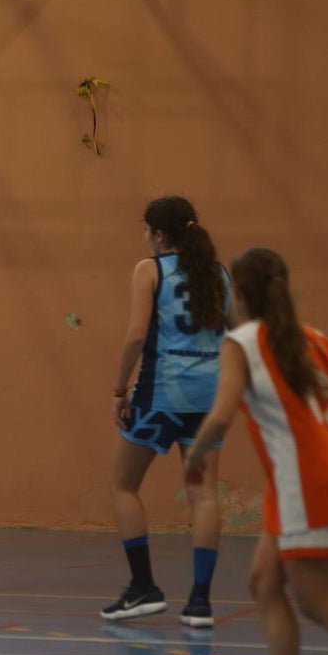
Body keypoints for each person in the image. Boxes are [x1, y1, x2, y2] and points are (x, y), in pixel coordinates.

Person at [184, 247, 328, 655]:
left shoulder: (244, 340)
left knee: (316, 601)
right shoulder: (314, 339)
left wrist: (194, 457)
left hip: (304, 479)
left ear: (240, 290)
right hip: (308, 474)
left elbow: (222, 411)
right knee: (263, 581)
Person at [102, 196, 230, 627]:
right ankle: (199, 602)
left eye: (146, 230)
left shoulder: (150, 269)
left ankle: (143, 588)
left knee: (123, 486)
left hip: (163, 391)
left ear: (158, 233)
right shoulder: (219, 273)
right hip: (210, 393)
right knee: (205, 493)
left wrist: (120, 388)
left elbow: (137, 336)